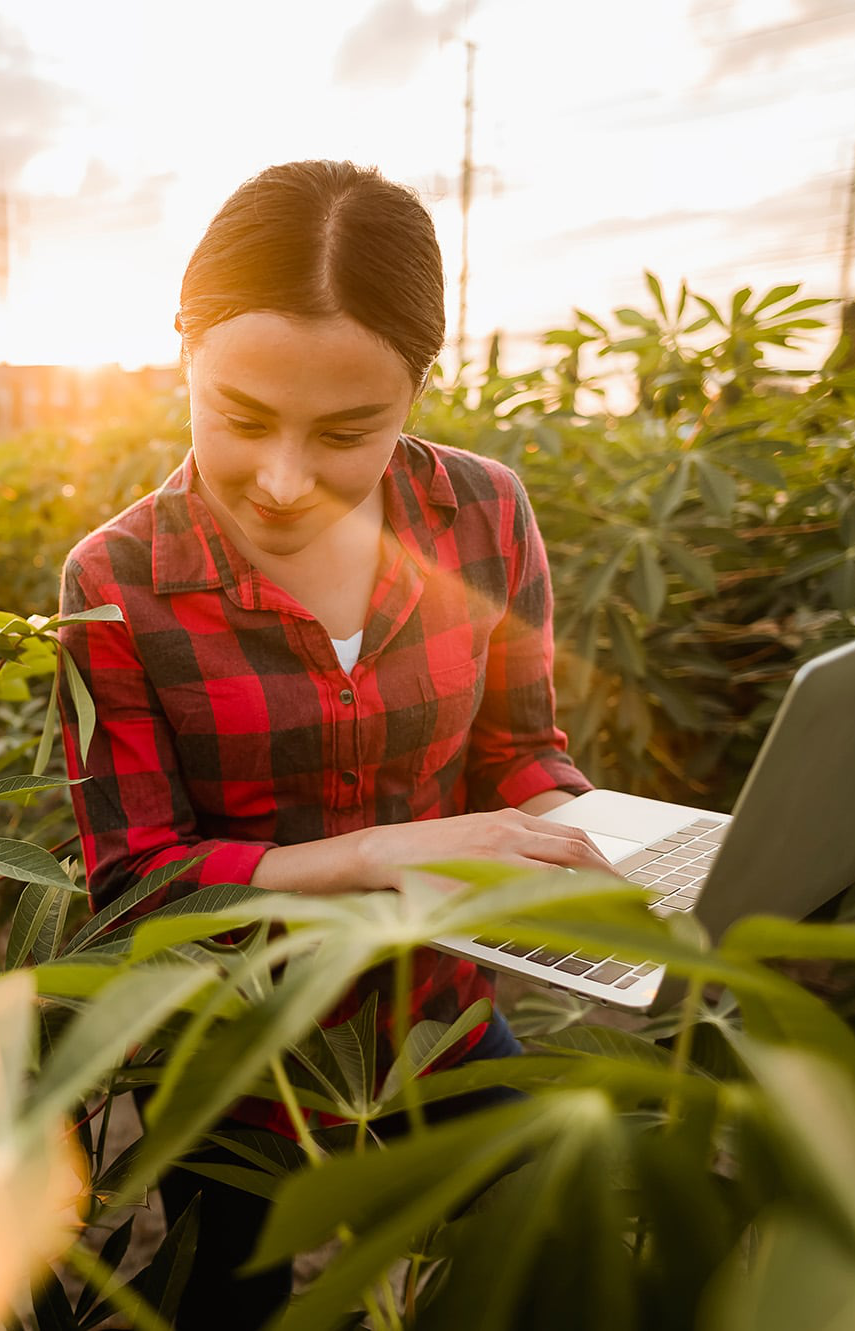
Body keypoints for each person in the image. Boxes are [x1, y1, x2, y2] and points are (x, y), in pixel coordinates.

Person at [55, 160, 612, 1326]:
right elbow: (135, 883)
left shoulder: (485, 513)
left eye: (347, 431)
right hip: (238, 1060)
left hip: (440, 1017)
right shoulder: (113, 582)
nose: (280, 479)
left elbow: (520, 744)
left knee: (554, 1265)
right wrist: (373, 855)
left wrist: (580, 837)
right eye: (239, 417)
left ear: (419, 387)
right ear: (182, 357)